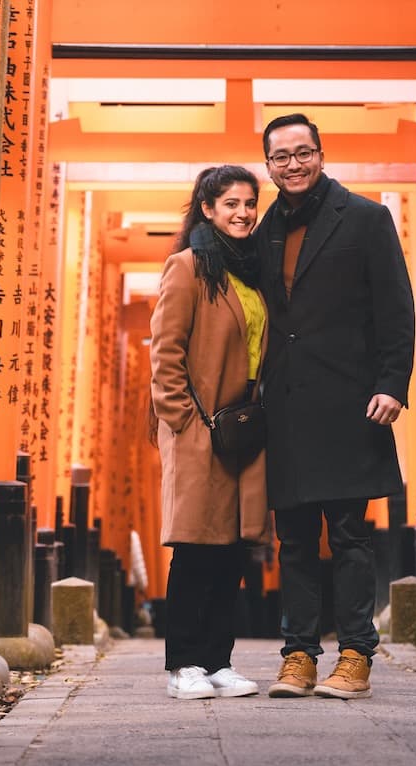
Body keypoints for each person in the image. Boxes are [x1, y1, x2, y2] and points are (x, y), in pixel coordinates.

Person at [254, 114, 415, 700]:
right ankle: (297, 655)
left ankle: (355, 655)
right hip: (287, 407)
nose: (293, 164)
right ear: (267, 164)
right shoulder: (261, 227)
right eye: (281, 156)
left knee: (348, 534)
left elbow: (397, 307)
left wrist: (392, 383)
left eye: (303, 153)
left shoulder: (366, 219)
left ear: (321, 154)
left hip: (351, 401)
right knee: (292, 538)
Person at [149, 165, 270, 700]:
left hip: (246, 430)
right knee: (196, 547)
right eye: (230, 204)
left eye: (249, 203)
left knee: (235, 549)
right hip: (201, 428)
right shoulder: (188, 267)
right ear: (207, 208)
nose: (242, 213)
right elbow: (166, 352)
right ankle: (184, 664)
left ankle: (219, 661)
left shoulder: (254, 273)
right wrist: (184, 421)